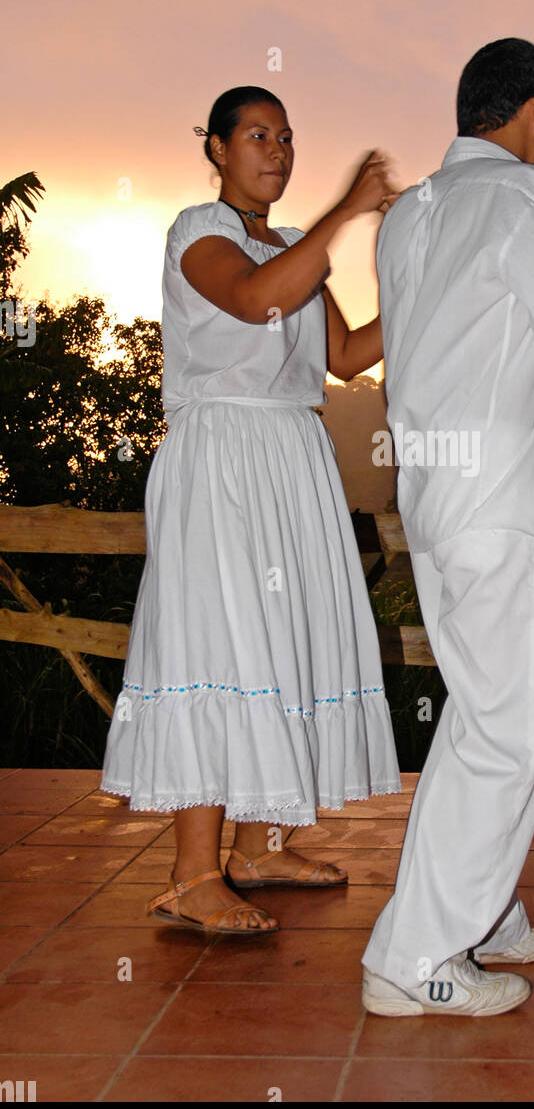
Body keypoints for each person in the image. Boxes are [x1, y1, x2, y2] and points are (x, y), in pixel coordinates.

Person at [361, 38, 534, 1014]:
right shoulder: (524, 199)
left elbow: (410, 349)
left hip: (433, 500)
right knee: (512, 726)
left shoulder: (407, 219)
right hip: (500, 503)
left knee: (484, 713)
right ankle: (417, 956)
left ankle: (475, 913)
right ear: (532, 108)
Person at [101, 85, 402, 934]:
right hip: (220, 458)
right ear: (218, 150)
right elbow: (253, 301)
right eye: (257, 136)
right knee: (220, 637)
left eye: (286, 137)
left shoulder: (298, 246)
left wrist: (431, 300)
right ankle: (192, 875)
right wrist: (349, 210)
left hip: (291, 458)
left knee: (285, 638)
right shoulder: (199, 232)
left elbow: (343, 357)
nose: (276, 151)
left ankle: (259, 848)